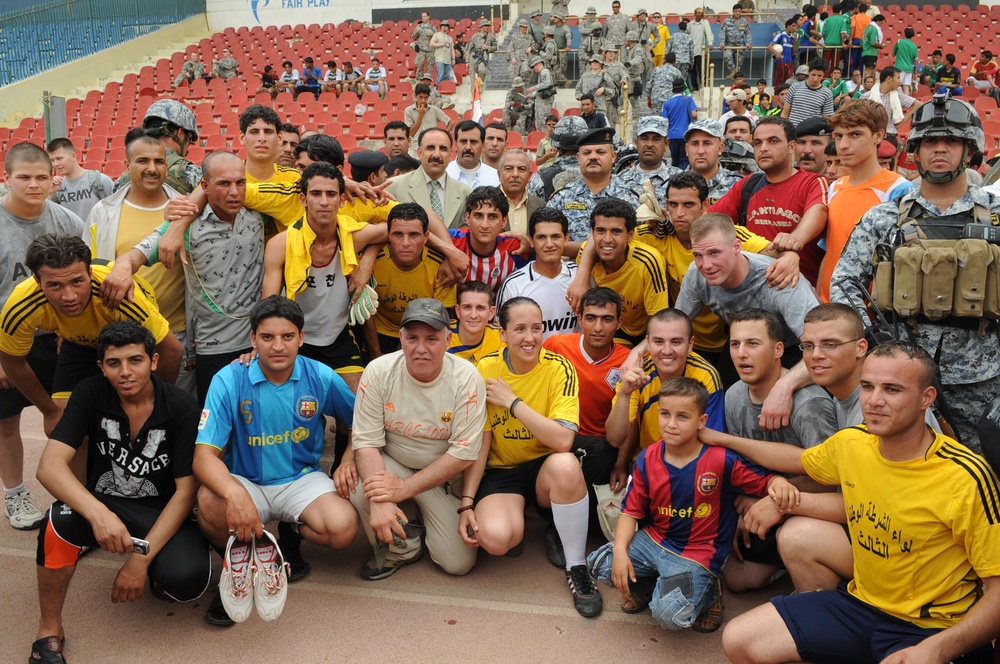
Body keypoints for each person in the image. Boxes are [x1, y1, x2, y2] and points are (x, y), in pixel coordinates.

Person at [720, 341, 1000, 664]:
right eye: (867, 386)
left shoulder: (966, 478)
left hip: (930, 629)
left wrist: (936, 649)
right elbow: (798, 461)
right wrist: (728, 447)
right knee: (739, 640)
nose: (874, 400)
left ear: (926, 398)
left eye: (892, 389)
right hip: (860, 605)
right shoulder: (853, 443)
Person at [30, 321, 211, 663]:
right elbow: (48, 467)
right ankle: (49, 628)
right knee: (56, 523)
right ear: (102, 367)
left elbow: (186, 492)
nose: (125, 372)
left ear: (153, 361)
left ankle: (153, 564)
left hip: (159, 510)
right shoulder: (90, 392)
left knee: (187, 583)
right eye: (114, 363)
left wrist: (139, 562)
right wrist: (99, 515)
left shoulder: (182, 405)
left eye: (135, 360)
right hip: (105, 501)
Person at [830, 94, 1000, 453]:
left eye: (951, 141)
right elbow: (844, 284)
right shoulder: (885, 217)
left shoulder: (996, 215)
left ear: (970, 149)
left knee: (984, 469)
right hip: (901, 380)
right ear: (915, 151)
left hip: (984, 379)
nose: (939, 149)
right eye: (929, 142)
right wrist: (876, 341)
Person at [193, 296, 358, 625]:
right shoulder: (229, 378)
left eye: (287, 336)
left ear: (301, 337)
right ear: (253, 339)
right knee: (209, 501)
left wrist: (348, 458)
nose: (278, 346)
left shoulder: (321, 375)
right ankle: (236, 565)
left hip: (301, 479)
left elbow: (362, 421)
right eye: (267, 337)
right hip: (247, 481)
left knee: (343, 529)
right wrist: (234, 493)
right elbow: (203, 457)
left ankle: (290, 530)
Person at [590, 377, 792, 631]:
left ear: (701, 421)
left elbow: (766, 481)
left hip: (696, 553)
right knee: (601, 563)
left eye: (683, 416)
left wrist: (779, 482)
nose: (671, 424)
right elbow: (630, 513)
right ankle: (650, 586)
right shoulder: (647, 457)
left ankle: (709, 594)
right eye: (665, 413)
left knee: (668, 614)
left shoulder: (721, 459)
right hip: (654, 540)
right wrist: (620, 550)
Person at [460, 297, 604, 618]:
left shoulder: (559, 367)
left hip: (545, 468)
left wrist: (513, 403)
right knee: (496, 540)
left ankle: (577, 566)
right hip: (503, 472)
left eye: (537, 328)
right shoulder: (485, 369)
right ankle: (520, 518)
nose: (530, 338)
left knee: (567, 465)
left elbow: (564, 440)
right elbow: (482, 440)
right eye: (520, 329)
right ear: (502, 333)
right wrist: (467, 503)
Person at [341, 296, 489, 580]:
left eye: (431, 339)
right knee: (359, 483)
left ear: (448, 340)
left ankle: (414, 512)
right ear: (400, 338)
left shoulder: (467, 378)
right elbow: (367, 442)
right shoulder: (379, 371)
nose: (420, 349)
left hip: (444, 480)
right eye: (412, 338)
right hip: (393, 464)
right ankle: (402, 549)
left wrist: (404, 489)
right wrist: (380, 500)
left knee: (457, 563)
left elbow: (463, 454)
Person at [104, 151, 265, 403]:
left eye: (240, 183)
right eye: (223, 183)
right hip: (212, 346)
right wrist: (122, 269)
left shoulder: (258, 217)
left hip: (258, 343)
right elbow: (133, 256)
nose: (234, 192)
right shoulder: (185, 227)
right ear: (205, 187)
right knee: (213, 418)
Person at [715, 309, 839, 594]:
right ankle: (782, 560)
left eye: (753, 343)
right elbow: (741, 465)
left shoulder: (809, 404)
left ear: (778, 349)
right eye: (735, 344)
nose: (741, 354)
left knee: (791, 540)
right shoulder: (734, 395)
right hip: (763, 496)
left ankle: (813, 565)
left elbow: (831, 480)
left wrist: (769, 501)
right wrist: (737, 511)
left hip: (810, 505)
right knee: (737, 578)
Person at [0, 143, 84, 531]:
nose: (34, 185)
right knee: (6, 421)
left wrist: (75, 328)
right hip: (8, 338)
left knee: (74, 417)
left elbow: (82, 281)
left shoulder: (68, 221)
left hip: (60, 337)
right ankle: (15, 493)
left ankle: (75, 494)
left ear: (53, 178)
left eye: (41, 177)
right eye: (24, 177)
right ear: (7, 178)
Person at [86, 137, 191, 394]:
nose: (152, 169)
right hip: (123, 338)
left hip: (176, 332)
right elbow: (88, 272)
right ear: (127, 165)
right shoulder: (103, 211)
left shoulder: (186, 209)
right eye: (143, 161)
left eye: (159, 162)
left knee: (173, 406)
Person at [675, 213, 821, 362]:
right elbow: (675, 325)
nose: (706, 265)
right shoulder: (696, 274)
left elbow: (820, 345)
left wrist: (787, 379)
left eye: (714, 253)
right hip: (742, 342)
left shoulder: (779, 277)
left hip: (793, 348)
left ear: (737, 247)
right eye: (698, 255)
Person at [711, 117, 829, 285]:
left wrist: (796, 238)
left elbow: (819, 210)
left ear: (791, 147)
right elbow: (712, 221)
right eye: (758, 143)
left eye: (773, 141)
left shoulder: (812, 182)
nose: (763, 148)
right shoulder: (748, 185)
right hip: (754, 287)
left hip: (799, 287)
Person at [543, 287, 633, 506]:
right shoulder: (555, 346)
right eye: (591, 318)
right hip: (556, 439)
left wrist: (621, 464)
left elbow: (632, 420)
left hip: (600, 449)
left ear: (619, 323)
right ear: (580, 319)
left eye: (607, 319)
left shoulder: (628, 361)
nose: (598, 327)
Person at [818, 98, 912, 302]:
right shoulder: (835, 187)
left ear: (878, 135)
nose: (843, 145)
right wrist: (820, 299)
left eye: (855, 135)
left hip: (869, 311)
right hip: (830, 305)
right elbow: (829, 250)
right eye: (839, 136)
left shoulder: (899, 190)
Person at [573, 198, 670, 347]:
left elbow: (660, 322)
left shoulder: (648, 262)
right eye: (601, 231)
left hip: (647, 332)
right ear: (592, 233)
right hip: (613, 329)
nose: (607, 239)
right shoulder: (586, 254)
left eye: (616, 231)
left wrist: (637, 353)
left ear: (630, 235)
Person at [370, 203, 457, 355]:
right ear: (388, 235)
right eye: (398, 234)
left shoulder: (441, 267)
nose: (405, 243)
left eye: (413, 235)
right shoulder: (372, 263)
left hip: (423, 333)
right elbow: (365, 312)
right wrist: (375, 353)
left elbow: (441, 319)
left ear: (426, 237)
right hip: (380, 332)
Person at [496, 207, 582, 340]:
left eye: (555, 236)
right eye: (541, 237)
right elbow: (501, 335)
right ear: (531, 240)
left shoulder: (581, 277)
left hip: (573, 354)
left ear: (566, 239)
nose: (549, 244)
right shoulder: (513, 285)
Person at [548, 127, 641, 249]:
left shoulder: (631, 197)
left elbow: (639, 241)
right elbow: (549, 242)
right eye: (586, 153)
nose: (593, 157)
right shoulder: (561, 198)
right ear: (578, 157)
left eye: (600, 152)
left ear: (613, 156)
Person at [387, 128, 471, 230]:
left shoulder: (465, 192)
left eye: (443, 149)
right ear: (419, 153)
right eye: (430, 148)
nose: (436, 155)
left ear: (450, 155)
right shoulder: (394, 187)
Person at [447, 186, 526, 291]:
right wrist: (449, 251)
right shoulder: (453, 239)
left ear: (504, 221)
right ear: (467, 218)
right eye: (478, 216)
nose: (485, 225)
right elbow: (427, 220)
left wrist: (531, 246)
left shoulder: (514, 248)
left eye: (492, 217)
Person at [613, 116, 682, 202]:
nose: (649, 144)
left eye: (656, 139)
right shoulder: (619, 181)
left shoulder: (680, 179)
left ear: (666, 144)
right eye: (644, 139)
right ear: (637, 143)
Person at [46, 138, 113, 222]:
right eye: (52, 160)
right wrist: (50, 194)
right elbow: (48, 218)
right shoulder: (57, 189)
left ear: (73, 156)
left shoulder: (101, 181)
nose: (55, 164)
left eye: (59, 159)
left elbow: (116, 211)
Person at [685, 119, 744, 203]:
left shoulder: (738, 185)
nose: (700, 151)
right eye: (695, 144)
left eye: (707, 143)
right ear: (687, 149)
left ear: (720, 148)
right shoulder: (671, 184)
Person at [448, 281, 505, 364]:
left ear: (491, 313)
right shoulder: (442, 332)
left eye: (480, 308)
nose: (473, 315)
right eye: (467, 307)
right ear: (458, 311)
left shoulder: (501, 337)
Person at [498, 149, 544, 236]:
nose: (515, 174)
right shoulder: (485, 203)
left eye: (521, 169)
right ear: (499, 175)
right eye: (508, 169)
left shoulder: (541, 206)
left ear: (529, 176)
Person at [445, 121, 501, 188]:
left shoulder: (495, 178)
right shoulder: (444, 173)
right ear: (455, 145)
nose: (468, 147)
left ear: (483, 146)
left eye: (473, 142)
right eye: (463, 141)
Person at [782, 58, 835, 126]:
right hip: (793, 128)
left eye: (819, 76)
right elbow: (785, 113)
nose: (815, 79)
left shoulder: (827, 93)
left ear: (824, 74)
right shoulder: (794, 87)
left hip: (813, 130)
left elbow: (827, 118)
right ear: (809, 72)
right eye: (813, 75)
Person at [662, 80, 699, 168]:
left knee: (675, 161)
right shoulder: (688, 99)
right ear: (683, 90)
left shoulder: (666, 104)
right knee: (684, 160)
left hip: (672, 136)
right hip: (685, 134)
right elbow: (694, 115)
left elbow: (664, 121)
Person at [721, 5, 753, 79]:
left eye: (739, 11)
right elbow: (722, 32)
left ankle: (736, 77)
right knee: (727, 56)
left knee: (739, 62)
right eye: (736, 11)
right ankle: (733, 71)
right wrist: (722, 43)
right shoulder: (727, 21)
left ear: (741, 12)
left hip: (740, 45)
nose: (737, 13)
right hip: (729, 44)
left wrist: (749, 43)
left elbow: (748, 33)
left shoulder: (744, 21)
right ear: (733, 12)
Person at [526, 56, 556, 133]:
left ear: (538, 64)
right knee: (539, 122)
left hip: (544, 102)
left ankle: (545, 137)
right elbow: (541, 90)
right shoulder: (541, 73)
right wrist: (532, 96)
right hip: (541, 101)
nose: (534, 69)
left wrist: (533, 88)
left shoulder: (544, 72)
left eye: (534, 66)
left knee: (543, 121)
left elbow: (546, 83)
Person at [688, 7, 715, 91]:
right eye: (696, 12)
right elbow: (686, 33)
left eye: (700, 12)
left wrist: (710, 43)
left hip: (700, 52)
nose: (698, 14)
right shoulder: (691, 24)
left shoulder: (705, 23)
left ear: (702, 14)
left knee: (702, 71)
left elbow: (709, 33)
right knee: (692, 71)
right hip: (691, 52)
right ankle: (695, 87)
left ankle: (704, 87)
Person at [822, 3, 851, 75]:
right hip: (837, 45)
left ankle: (824, 77)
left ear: (832, 10)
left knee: (825, 63)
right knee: (835, 64)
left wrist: (827, 40)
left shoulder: (827, 20)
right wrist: (842, 43)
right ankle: (833, 78)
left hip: (827, 44)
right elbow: (843, 32)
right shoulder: (843, 19)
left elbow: (824, 33)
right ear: (840, 11)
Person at [771, 19, 799, 89]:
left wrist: (795, 41)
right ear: (788, 26)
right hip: (781, 62)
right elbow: (769, 46)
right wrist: (777, 54)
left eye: (795, 26)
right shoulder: (780, 35)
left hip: (790, 62)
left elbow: (793, 52)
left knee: (789, 82)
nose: (794, 28)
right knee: (779, 82)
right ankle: (777, 94)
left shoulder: (792, 38)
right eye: (793, 26)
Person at [891, 27, 918, 94]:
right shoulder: (914, 46)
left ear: (905, 34)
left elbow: (893, 54)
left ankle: (895, 99)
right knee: (906, 86)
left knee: (896, 85)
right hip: (909, 69)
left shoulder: (900, 41)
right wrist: (915, 73)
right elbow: (916, 61)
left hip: (899, 67)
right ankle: (906, 100)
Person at [411, 11, 436, 80]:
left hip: (430, 50)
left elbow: (437, 38)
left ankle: (429, 82)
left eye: (424, 16)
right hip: (421, 50)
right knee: (420, 66)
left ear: (428, 17)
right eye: (422, 16)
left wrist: (432, 35)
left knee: (430, 67)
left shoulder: (432, 27)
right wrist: (416, 32)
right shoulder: (419, 26)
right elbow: (413, 37)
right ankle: (419, 81)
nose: (423, 18)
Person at [430, 20, 455, 85]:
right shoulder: (437, 35)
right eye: (443, 25)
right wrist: (441, 44)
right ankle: (438, 88)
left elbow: (452, 49)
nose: (444, 27)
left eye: (446, 26)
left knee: (446, 76)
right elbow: (431, 44)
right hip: (439, 59)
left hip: (447, 60)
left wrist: (453, 59)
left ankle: (443, 88)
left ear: (448, 28)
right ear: (441, 27)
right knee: (440, 74)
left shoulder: (450, 38)